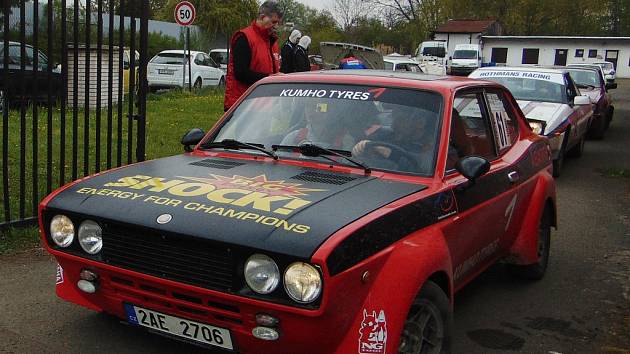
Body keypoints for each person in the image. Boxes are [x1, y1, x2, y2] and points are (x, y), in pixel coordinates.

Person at [223, 1, 283, 111]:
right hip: (242, 104)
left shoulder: (272, 42)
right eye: (274, 22)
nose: (276, 26)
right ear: (262, 17)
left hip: (263, 103)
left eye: (278, 23)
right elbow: (241, 73)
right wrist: (270, 78)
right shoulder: (244, 37)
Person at [352, 108, 432, 172]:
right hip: (369, 172)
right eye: (394, 117)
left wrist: (392, 154)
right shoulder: (385, 134)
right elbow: (354, 152)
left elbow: (424, 168)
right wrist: (361, 146)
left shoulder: (431, 145)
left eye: (401, 119)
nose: (394, 124)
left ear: (420, 123)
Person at [281, 99, 355, 149]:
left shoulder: (345, 141)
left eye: (317, 107)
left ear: (330, 111)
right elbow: (279, 158)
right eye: (308, 106)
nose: (310, 110)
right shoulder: (294, 137)